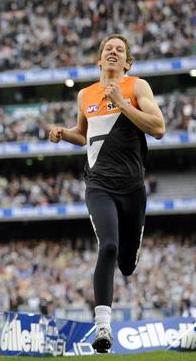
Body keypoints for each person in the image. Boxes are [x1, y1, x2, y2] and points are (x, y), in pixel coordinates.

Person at [49, 34, 165, 353]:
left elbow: (158, 128)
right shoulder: (85, 94)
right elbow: (84, 136)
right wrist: (64, 134)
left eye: (120, 51)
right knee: (108, 245)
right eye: (108, 50)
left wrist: (123, 104)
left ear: (127, 63)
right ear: (99, 60)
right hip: (99, 185)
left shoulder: (136, 86)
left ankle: (132, 249)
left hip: (132, 188)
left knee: (127, 264)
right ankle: (103, 326)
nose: (113, 53)